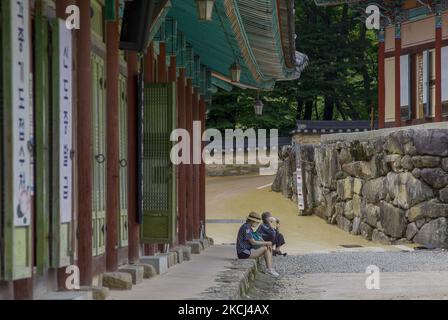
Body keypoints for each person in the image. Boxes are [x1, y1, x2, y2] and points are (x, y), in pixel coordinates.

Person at [236, 212, 280, 277]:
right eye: (256, 222)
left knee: (266, 247)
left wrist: (265, 243)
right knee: (266, 248)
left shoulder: (247, 227)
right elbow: (253, 242)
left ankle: (269, 268)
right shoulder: (246, 228)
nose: (257, 223)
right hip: (243, 253)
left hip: (246, 251)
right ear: (252, 221)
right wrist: (267, 243)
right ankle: (269, 269)